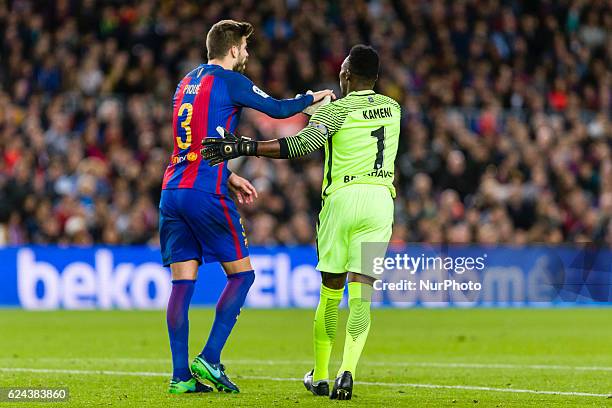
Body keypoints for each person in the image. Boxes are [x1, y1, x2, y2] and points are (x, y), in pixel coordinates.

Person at [202, 44, 400, 400]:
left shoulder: (337, 112)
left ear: (347, 76)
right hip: (380, 203)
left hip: (342, 200)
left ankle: (321, 375)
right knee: (362, 297)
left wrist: (247, 148)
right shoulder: (394, 109)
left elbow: (300, 145)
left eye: (342, 71)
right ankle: (348, 373)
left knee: (330, 293)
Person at [160, 19, 335, 394]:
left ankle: (179, 377)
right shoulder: (229, 80)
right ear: (233, 49)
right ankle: (209, 358)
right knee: (242, 276)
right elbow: (277, 109)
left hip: (174, 188)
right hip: (205, 192)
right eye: (244, 47)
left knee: (182, 283)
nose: (247, 54)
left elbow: (190, 142)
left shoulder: (184, 83)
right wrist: (313, 97)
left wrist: (228, 175)